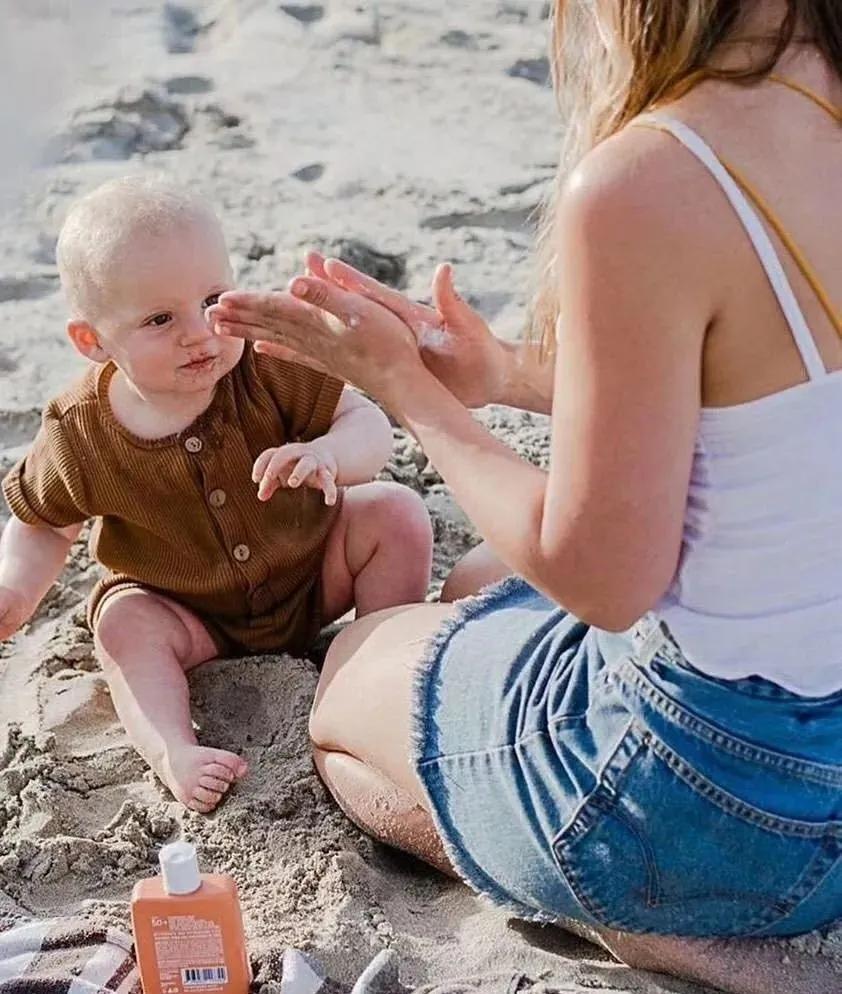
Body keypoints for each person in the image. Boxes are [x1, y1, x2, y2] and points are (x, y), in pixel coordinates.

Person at [207, 0, 842, 990]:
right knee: (477, 574)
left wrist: (409, 394)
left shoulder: (652, 179)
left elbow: (605, 582)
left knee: (349, 685)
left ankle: (644, 925)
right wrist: (502, 373)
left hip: (729, 807)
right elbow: (772, 388)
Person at [0, 177, 432, 814]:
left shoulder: (265, 359)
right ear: (94, 342)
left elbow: (365, 422)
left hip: (312, 577)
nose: (198, 333)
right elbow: (43, 522)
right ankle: (173, 748)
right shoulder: (81, 432)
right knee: (122, 621)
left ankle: (378, 653)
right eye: (158, 319)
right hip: (190, 616)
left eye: (212, 299)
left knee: (396, 512)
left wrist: (328, 455)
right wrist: (16, 591)